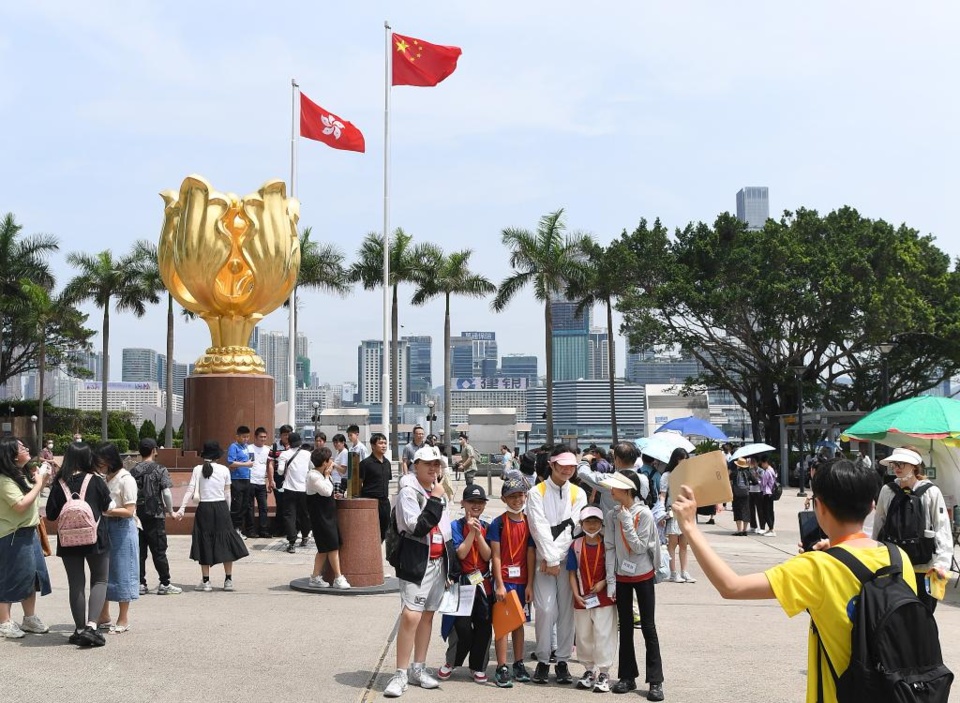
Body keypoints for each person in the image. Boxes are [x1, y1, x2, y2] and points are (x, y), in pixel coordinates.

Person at [673, 458, 917, 703]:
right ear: (872, 505)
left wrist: (690, 527)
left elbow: (731, 586)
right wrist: (835, 550)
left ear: (819, 507)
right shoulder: (898, 558)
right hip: (895, 693)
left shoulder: (815, 568)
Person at [383, 445, 453, 698]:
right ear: (416, 465)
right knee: (411, 615)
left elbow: (444, 530)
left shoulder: (438, 490)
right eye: (428, 464)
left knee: (427, 615)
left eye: (437, 464)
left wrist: (450, 566)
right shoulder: (409, 491)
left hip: (437, 561)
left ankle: (418, 668)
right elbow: (416, 527)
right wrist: (434, 498)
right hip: (415, 559)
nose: (434, 468)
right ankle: (400, 672)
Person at [599, 470, 664, 700]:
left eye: (615, 487)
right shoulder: (611, 514)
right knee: (624, 626)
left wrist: (626, 521)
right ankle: (627, 677)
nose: (611, 491)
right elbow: (609, 547)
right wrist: (610, 580)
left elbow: (638, 547)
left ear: (628, 490)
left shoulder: (643, 514)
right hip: (621, 577)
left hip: (643, 574)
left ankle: (656, 681)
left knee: (648, 627)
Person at [526, 445, 587, 686]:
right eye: (562, 465)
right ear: (551, 464)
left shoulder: (578, 493)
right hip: (544, 562)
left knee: (566, 613)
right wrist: (550, 559)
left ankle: (562, 661)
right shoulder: (536, 492)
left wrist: (557, 558)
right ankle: (542, 659)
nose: (567, 469)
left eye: (571, 465)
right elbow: (537, 527)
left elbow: (574, 527)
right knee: (546, 610)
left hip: (567, 562)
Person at [46, 442, 113, 646]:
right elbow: (107, 507)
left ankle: (79, 628)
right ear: (88, 458)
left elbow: (50, 515)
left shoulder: (59, 483)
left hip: (68, 540)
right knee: (100, 580)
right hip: (96, 537)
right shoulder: (96, 481)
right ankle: (92, 627)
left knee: (76, 584)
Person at [871, 447, 953, 613]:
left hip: (925, 568)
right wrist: (874, 558)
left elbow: (942, 528)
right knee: (895, 616)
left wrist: (942, 565)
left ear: (914, 466)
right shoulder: (887, 491)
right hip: (895, 566)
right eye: (894, 464)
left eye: (902, 463)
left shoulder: (931, 492)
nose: (897, 467)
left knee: (924, 616)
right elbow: (878, 526)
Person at [174, 441, 249, 592]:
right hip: (221, 507)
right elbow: (227, 494)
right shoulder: (224, 470)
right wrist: (227, 512)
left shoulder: (197, 469)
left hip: (204, 508)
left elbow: (190, 490)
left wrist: (182, 509)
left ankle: (206, 581)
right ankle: (228, 580)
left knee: (204, 541)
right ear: (217, 455)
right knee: (226, 541)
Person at [438, 484, 493, 684]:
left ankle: (478, 666)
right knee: (460, 627)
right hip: (463, 583)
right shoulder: (455, 525)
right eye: (471, 502)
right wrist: (471, 532)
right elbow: (460, 553)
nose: (476, 506)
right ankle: (451, 662)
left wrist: (479, 534)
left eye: (480, 502)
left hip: (484, 583)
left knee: (484, 626)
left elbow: (488, 555)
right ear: (463, 503)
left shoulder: (488, 526)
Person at [0, 437, 52, 639]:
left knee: (32, 577)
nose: (27, 448)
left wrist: (42, 479)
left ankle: (29, 618)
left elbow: (32, 498)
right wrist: (39, 483)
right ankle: (4, 622)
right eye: (22, 447)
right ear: (12, 455)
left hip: (29, 532)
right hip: (12, 534)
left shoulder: (20, 475)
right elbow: (21, 505)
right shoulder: (4, 480)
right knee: (10, 577)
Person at [488, 477, 535, 688]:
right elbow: (495, 556)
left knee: (519, 624)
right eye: (513, 496)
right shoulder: (498, 523)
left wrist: (530, 584)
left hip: (522, 582)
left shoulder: (529, 522)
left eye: (521, 495)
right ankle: (501, 666)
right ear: (504, 498)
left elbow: (530, 555)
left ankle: (518, 663)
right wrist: (498, 584)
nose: (517, 500)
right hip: (504, 581)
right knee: (502, 625)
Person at [567, 505, 617, 693]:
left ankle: (604, 671)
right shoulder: (576, 545)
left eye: (596, 521)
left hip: (603, 598)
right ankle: (589, 670)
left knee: (603, 634)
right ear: (581, 524)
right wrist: (576, 594)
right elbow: (571, 573)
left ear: (602, 523)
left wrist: (604, 582)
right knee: (583, 634)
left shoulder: (607, 544)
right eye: (588, 521)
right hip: (582, 598)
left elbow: (613, 569)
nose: (592, 524)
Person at [93, 442, 140, 634]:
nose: (98, 464)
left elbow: (129, 511)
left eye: (101, 461)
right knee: (104, 572)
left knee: (123, 572)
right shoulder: (105, 478)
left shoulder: (125, 479)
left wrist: (107, 511)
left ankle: (123, 617)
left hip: (122, 528)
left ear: (110, 460)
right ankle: (104, 615)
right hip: (106, 527)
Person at [129, 438, 180, 595]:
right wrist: (171, 511)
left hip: (137, 515)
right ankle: (164, 583)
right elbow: (166, 492)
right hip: (156, 514)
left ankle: (140, 583)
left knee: (139, 551)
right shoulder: (161, 469)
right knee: (159, 550)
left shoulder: (132, 471)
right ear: (154, 450)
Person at [306, 446, 350, 589]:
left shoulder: (323, 474)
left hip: (328, 515)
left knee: (324, 548)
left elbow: (328, 492)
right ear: (325, 462)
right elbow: (325, 491)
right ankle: (338, 577)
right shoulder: (314, 475)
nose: (332, 461)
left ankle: (315, 576)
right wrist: (326, 476)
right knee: (332, 546)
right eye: (329, 459)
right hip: (321, 517)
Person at [660, 447, 695, 584]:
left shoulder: (688, 475)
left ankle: (684, 571)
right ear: (676, 459)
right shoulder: (667, 475)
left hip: (686, 510)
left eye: (686, 459)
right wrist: (662, 513)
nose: (684, 461)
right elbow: (662, 495)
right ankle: (673, 572)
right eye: (682, 459)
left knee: (684, 543)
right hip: (673, 511)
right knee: (673, 543)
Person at [277, 432, 312, 553]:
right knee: (305, 514)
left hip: (289, 489)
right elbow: (312, 468)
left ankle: (292, 542)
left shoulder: (284, 454)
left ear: (289, 442)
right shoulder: (308, 454)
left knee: (289, 515)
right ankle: (305, 536)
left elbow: (280, 472)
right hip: (304, 489)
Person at [359, 432, 392, 541]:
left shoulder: (387, 463)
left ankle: (377, 551)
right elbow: (359, 483)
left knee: (385, 530)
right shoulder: (365, 463)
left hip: (384, 502)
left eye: (385, 443)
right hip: (370, 501)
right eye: (380, 443)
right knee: (370, 531)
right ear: (373, 446)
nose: (384, 445)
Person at [226, 425, 254, 539]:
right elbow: (230, 462)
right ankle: (234, 529)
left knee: (244, 505)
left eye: (247, 437)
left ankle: (238, 529)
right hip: (237, 479)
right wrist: (245, 464)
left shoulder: (246, 447)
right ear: (237, 436)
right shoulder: (234, 447)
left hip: (246, 478)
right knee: (236, 505)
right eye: (243, 437)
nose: (246, 439)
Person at [268, 424, 292, 537]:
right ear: (280, 435)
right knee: (280, 503)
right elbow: (271, 465)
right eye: (284, 434)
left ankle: (291, 529)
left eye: (289, 434)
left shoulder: (295, 446)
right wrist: (271, 480)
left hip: (292, 478)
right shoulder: (274, 447)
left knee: (290, 504)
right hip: (279, 478)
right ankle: (279, 529)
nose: (287, 437)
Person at [248, 427, 271, 538]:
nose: (263, 439)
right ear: (255, 437)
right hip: (250, 481)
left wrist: (270, 481)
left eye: (265, 437)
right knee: (250, 507)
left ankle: (263, 530)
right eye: (261, 437)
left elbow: (270, 466)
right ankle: (251, 530)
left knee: (264, 507)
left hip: (262, 482)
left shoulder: (268, 449)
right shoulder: (249, 448)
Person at [729, 458, 752, 536]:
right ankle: (745, 530)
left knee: (737, 511)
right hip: (746, 494)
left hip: (736, 494)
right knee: (746, 511)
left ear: (737, 465)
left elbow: (728, 480)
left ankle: (739, 530)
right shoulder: (748, 473)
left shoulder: (734, 473)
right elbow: (755, 481)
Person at [758, 455, 777, 537]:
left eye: (762, 464)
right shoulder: (772, 470)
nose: (762, 466)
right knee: (770, 511)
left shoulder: (767, 471)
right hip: (771, 493)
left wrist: (758, 479)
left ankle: (771, 529)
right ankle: (770, 528)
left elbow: (763, 483)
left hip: (767, 493)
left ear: (765, 463)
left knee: (767, 512)